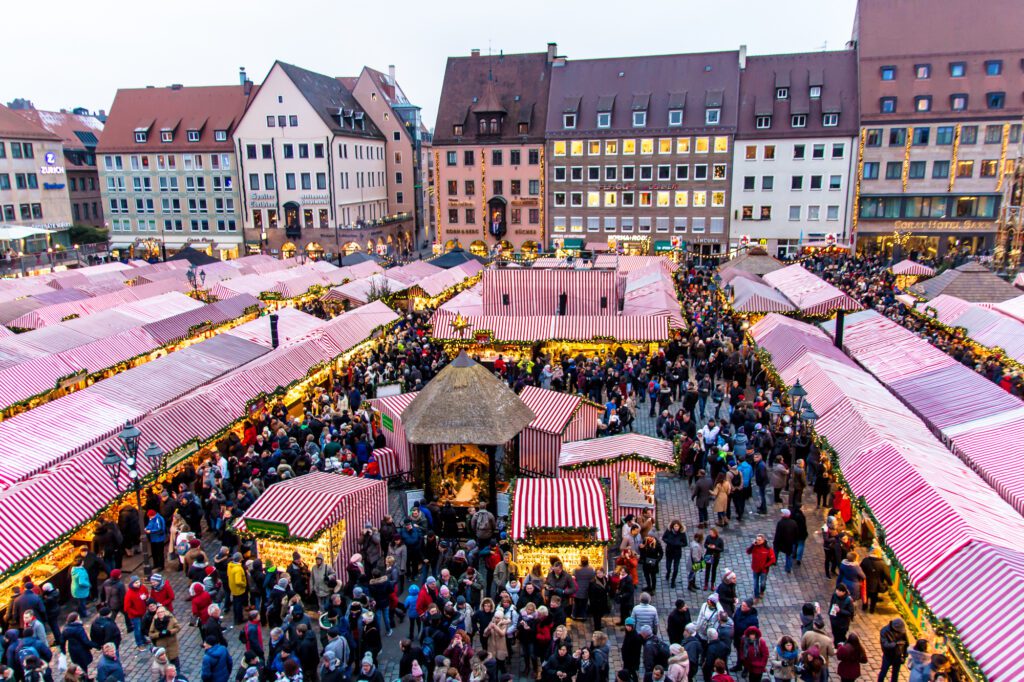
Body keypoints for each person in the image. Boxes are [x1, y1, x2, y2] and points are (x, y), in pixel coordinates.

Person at [860, 548, 891, 614]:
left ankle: (864, 606)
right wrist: (890, 582)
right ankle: (872, 609)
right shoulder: (882, 564)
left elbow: (860, 570)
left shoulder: (865, 560)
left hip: (866, 582)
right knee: (874, 597)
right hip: (876, 583)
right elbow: (886, 574)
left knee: (866, 594)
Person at [746, 535, 775, 600]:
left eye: (759, 540)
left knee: (762, 583)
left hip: (764, 570)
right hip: (755, 568)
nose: (758, 541)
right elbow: (748, 552)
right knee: (755, 583)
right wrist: (752, 545)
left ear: (763, 540)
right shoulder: (754, 547)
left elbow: (773, 560)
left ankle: (762, 591)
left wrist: (765, 566)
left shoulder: (768, 549)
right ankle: (756, 596)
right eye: (757, 540)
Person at [662, 521, 687, 589]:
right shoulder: (668, 531)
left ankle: (673, 581)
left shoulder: (682, 533)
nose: (676, 528)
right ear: (673, 526)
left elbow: (685, 543)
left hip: (677, 553)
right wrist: (668, 541)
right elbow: (664, 538)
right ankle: (668, 573)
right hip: (669, 551)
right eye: (675, 526)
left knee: (676, 569)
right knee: (668, 567)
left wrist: (679, 544)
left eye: (677, 526)